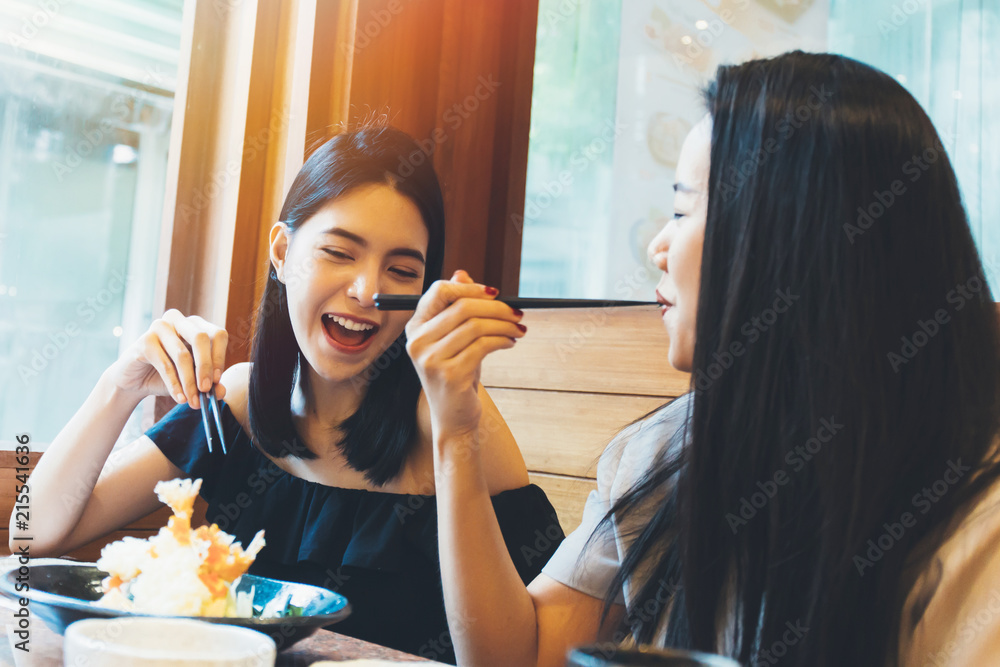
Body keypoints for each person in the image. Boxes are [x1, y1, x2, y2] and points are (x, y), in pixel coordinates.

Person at [404, 52, 1000, 666]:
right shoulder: (667, 453)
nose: (659, 246)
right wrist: (454, 427)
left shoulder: (976, 528)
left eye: (684, 210)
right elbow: (521, 657)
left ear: (785, 240)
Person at [14, 124, 564, 663]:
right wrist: (120, 386)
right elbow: (31, 532)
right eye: (340, 252)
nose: (368, 290)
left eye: (400, 269)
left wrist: (456, 431)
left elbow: (516, 654)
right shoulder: (238, 402)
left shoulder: (451, 422)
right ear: (282, 251)